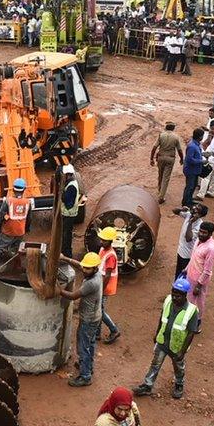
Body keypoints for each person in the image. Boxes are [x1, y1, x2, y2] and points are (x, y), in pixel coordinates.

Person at [134, 277, 200, 399]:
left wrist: (182, 351)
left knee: (178, 367)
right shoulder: (168, 301)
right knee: (155, 364)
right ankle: (147, 385)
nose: (174, 297)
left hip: (177, 346)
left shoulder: (192, 311)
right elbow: (162, 318)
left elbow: (191, 333)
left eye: (178, 295)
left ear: (185, 295)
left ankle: (179, 384)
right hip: (163, 341)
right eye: (173, 293)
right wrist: (157, 332)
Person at [58, 252, 105, 387]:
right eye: (85, 267)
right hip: (94, 317)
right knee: (90, 344)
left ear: (94, 268)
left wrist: (58, 290)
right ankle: (88, 367)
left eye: (87, 268)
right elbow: (80, 265)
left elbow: (73, 296)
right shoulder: (95, 274)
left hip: (88, 320)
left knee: (83, 346)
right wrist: (64, 258)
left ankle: (85, 376)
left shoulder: (92, 283)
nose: (84, 270)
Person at [185, 221, 214, 324]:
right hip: (190, 275)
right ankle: (188, 319)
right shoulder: (199, 239)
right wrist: (186, 268)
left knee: (199, 302)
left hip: (199, 280)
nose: (201, 234)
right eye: (200, 231)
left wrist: (199, 285)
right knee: (189, 299)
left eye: (204, 233)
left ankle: (197, 322)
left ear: (210, 234)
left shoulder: (211, 249)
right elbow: (193, 256)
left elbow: (207, 270)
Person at [96, 227, 121, 344]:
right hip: (101, 284)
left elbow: (107, 275)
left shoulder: (110, 255)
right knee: (98, 309)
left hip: (105, 287)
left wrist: (101, 288)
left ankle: (114, 329)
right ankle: (97, 333)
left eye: (104, 240)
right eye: (101, 239)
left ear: (110, 241)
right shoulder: (103, 249)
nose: (101, 241)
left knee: (99, 310)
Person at [0, 178, 31, 256]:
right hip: (20, 233)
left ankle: (2, 262)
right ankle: (15, 264)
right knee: (16, 251)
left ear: (13, 190)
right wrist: (26, 230)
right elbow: (29, 219)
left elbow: (0, 217)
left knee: (1, 250)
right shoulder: (28, 202)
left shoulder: (8, 201)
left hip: (8, 232)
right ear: (24, 189)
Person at [150, 121, 184, 204]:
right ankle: (161, 197)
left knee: (160, 174)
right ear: (173, 128)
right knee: (166, 177)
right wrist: (181, 159)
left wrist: (151, 158)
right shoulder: (176, 137)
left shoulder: (161, 135)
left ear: (166, 127)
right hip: (170, 159)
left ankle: (160, 190)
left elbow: (154, 147)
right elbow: (179, 150)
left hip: (161, 157)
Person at [173, 204, 207, 278]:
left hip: (187, 255)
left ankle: (181, 288)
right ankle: (176, 287)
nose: (194, 208)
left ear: (200, 215)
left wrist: (190, 223)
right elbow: (174, 211)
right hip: (180, 251)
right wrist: (181, 209)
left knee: (184, 275)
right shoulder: (188, 214)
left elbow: (188, 238)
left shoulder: (199, 225)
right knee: (178, 272)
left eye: (197, 210)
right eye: (195, 207)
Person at [197, 121, 214, 200]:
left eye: (212, 129)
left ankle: (201, 194)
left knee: (205, 176)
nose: (211, 131)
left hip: (213, 161)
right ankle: (211, 192)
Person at [59, 164, 81, 258]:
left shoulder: (71, 186)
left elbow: (67, 201)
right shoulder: (72, 183)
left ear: (68, 174)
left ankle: (66, 253)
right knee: (66, 233)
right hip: (69, 213)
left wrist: (62, 194)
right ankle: (65, 251)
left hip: (69, 214)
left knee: (66, 234)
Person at [181, 127, 205, 207]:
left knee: (193, 186)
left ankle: (189, 200)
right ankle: (185, 202)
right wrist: (201, 161)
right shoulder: (192, 146)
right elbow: (190, 159)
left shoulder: (196, 145)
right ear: (200, 137)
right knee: (189, 186)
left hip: (195, 170)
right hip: (191, 170)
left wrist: (203, 155)